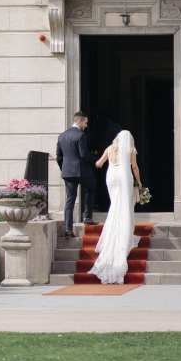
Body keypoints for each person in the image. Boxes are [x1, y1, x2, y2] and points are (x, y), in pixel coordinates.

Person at [90, 129, 142, 284]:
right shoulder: (130, 150)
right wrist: (139, 182)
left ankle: (112, 232)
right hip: (124, 177)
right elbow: (134, 167)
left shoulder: (109, 148)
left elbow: (99, 163)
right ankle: (124, 233)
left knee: (115, 205)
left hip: (111, 177)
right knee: (124, 206)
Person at [56, 111, 95, 237]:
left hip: (67, 172)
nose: (86, 125)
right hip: (80, 171)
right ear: (80, 121)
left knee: (70, 199)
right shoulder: (80, 135)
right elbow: (84, 155)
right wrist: (95, 157)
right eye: (85, 122)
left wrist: (64, 168)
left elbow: (58, 156)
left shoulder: (61, 136)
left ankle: (68, 229)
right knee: (91, 187)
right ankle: (87, 217)